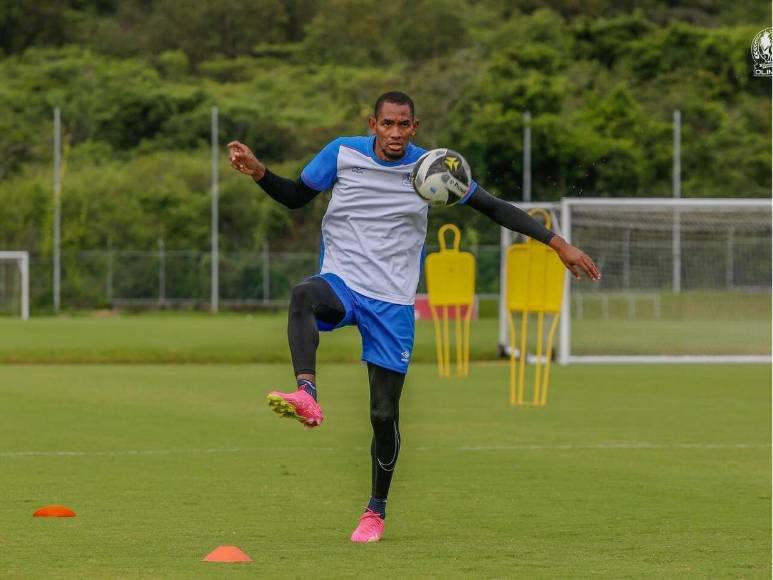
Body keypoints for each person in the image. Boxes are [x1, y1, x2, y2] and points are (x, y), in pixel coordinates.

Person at [228, 91, 600, 544]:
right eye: (387, 124)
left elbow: (493, 207)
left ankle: (375, 510)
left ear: (415, 127)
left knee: (383, 415)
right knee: (304, 294)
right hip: (343, 282)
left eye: (404, 125)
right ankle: (307, 392)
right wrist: (259, 172)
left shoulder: (434, 168)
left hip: (392, 302)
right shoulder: (341, 154)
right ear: (373, 125)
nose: (396, 133)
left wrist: (557, 243)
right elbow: (294, 197)